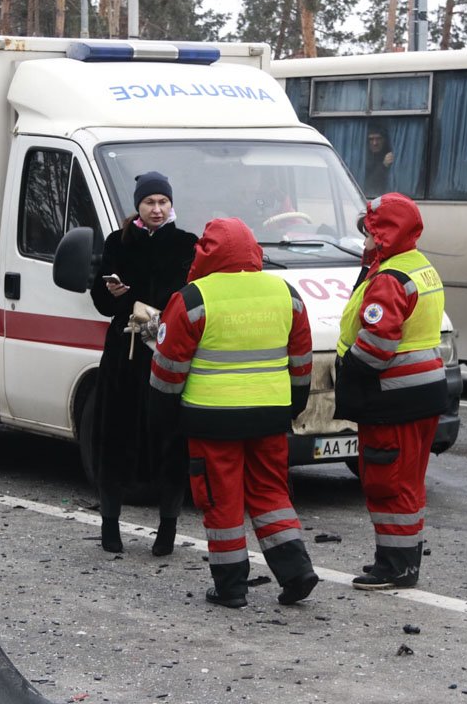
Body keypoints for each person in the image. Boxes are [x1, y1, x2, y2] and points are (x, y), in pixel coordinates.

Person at [148, 217, 319, 608]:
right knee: (271, 493)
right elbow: (302, 361)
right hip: (270, 416)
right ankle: (296, 572)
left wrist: (162, 418)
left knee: (221, 501)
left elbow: (168, 371)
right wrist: (293, 405)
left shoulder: (192, 298)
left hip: (212, 421)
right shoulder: (286, 293)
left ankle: (231, 587)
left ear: (206, 252)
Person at [334, 193, 448, 591]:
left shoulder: (389, 278)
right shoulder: (419, 266)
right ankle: (404, 561)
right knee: (409, 484)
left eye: (369, 232)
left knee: (388, 483)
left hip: (393, 398)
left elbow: (377, 344)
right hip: (424, 393)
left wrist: (349, 370)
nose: (364, 240)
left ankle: (394, 567)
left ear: (384, 234)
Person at [90, 171, 198, 556]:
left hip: (167, 352)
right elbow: (102, 302)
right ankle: (109, 524)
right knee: (114, 436)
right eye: (149, 202)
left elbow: (188, 297)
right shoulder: (117, 242)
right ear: (138, 205)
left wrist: (149, 309)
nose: (156, 209)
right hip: (123, 353)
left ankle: (167, 527)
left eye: (162, 202)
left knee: (168, 441)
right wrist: (114, 293)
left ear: (171, 204)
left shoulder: (187, 244)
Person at [363, 124, 394, 197]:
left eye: (378, 139)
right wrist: (384, 165)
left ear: (384, 140)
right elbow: (369, 184)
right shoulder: (362, 159)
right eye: (371, 139)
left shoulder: (391, 153)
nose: (375, 143)